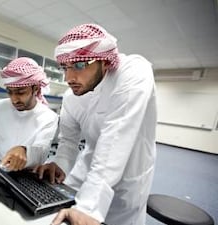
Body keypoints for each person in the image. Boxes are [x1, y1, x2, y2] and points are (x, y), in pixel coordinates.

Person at [33, 23, 157, 225]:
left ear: (105, 62)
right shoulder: (71, 97)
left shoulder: (133, 71)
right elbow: (68, 143)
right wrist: (60, 163)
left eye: (80, 65)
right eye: (65, 67)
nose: (69, 78)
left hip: (128, 179)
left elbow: (116, 137)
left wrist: (89, 206)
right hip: (85, 173)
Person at [0, 57, 59, 171]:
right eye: (9, 92)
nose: (14, 99)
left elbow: (41, 151)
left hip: (26, 174)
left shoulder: (49, 117)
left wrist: (25, 151)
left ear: (35, 89)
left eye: (20, 92)